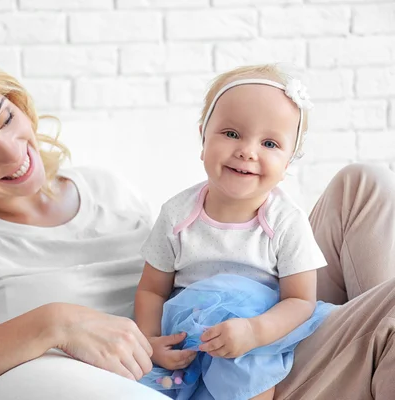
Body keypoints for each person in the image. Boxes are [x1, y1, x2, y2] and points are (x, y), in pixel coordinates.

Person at [0, 45, 395, 400]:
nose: (14, 153)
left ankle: (370, 360)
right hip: (213, 362)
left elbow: (181, 262)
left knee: (362, 184)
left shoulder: (98, 185)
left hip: (255, 313)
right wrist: (53, 323)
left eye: (6, 117)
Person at [134, 65, 336, 400]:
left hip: (257, 336)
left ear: (288, 163)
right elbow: (152, 291)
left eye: (270, 142)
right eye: (231, 134)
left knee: (247, 366)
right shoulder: (177, 215)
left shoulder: (286, 222)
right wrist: (150, 343)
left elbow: (300, 300)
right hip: (189, 336)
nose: (247, 150)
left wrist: (255, 332)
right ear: (202, 138)